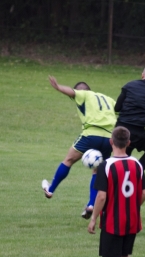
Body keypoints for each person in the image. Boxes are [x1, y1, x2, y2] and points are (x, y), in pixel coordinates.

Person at [41, 76, 117, 219]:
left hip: (90, 135)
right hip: (109, 139)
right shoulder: (108, 99)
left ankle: (50, 190)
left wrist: (58, 87)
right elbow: (123, 109)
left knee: (68, 160)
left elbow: (72, 92)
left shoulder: (84, 94)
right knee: (97, 172)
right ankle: (91, 205)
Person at [88, 126, 145, 257]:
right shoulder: (137, 164)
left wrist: (93, 218)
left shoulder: (106, 165)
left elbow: (101, 196)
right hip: (132, 218)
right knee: (125, 255)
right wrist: (133, 206)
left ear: (111, 142)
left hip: (113, 220)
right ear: (128, 143)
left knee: (115, 256)